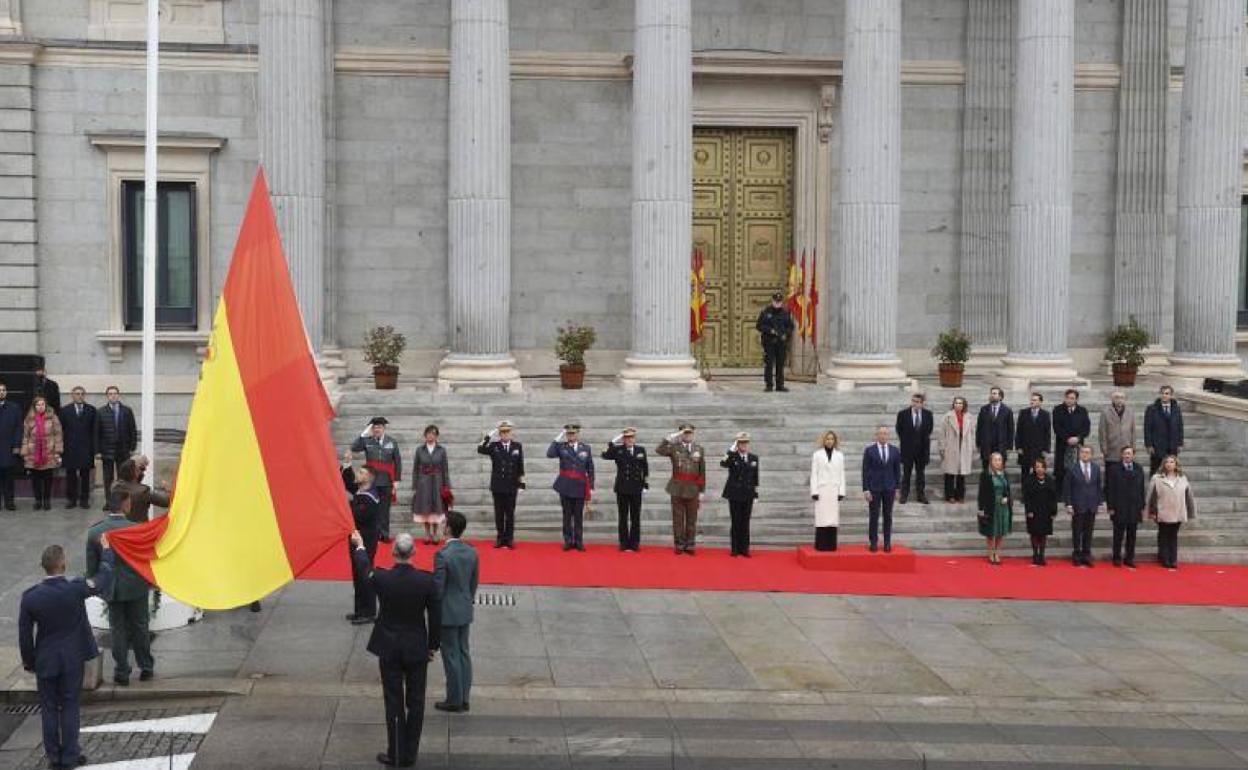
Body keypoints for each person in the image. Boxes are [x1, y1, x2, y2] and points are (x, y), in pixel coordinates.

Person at [19, 535, 115, 770]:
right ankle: (70, 755)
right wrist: (107, 552)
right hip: (72, 659)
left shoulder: (30, 597)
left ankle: (54, 756)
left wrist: (30, 662)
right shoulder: (75, 589)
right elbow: (102, 580)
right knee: (71, 706)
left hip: (46, 661)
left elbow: (24, 636)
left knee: (49, 708)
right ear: (62, 564)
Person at [350, 531, 440, 768]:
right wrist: (432, 645)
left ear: (392, 553)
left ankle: (396, 752)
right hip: (416, 646)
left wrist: (360, 546)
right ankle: (410, 753)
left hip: (388, 645)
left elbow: (364, 571)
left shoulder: (382, 578)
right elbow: (436, 615)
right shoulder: (426, 581)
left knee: (393, 700)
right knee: (416, 701)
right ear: (414, 553)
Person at [86, 488, 154, 685]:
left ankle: (122, 671)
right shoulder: (137, 529)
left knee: (118, 630)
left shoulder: (95, 532)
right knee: (140, 627)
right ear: (126, 504)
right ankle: (146, 667)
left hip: (112, 588)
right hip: (136, 586)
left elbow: (92, 567)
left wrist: (96, 587)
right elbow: (146, 558)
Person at [433, 511, 478, 714]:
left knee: (450, 655)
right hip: (464, 607)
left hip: (448, 611)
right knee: (463, 652)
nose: (442, 525)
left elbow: (438, 588)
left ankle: (454, 699)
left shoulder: (443, 555)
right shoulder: (471, 552)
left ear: (449, 528)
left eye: (444, 523)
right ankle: (465, 697)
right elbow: (473, 583)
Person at [656, 424, 706, 555]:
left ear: (693, 434)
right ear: (681, 435)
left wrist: (702, 491)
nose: (687, 435)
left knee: (691, 519)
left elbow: (702, 472)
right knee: (678, 519)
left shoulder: (699, 449)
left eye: (690, 433)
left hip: (693, 488)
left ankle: (690, 544)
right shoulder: (674, 448)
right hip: (677, 488)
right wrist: (668, 439)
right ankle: (679, 544)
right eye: (685, 433)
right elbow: (659, 450)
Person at [352, 416, 401, 542]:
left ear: (384, 428)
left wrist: (396, 480)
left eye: (379, 427)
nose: (376, 429)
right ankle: (372, 534)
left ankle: (384, 535)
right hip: (371, 482)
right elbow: (354, 448)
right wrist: (364, 433)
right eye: (374, 427)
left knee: (384, 510)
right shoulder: (367, 441)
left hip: (386, 481)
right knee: (371, 508)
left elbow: (398, 462)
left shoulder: (392, 442)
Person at [477, 420, 525, 549]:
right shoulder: (494, 446)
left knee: (510, 513)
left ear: (511, 433)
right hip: (498, 485)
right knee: (499, 513)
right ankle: (500, 537)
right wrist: (488, 436)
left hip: (511, 485)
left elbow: (520, 465)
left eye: (507, 432)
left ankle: (509, 539)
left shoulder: (517, 446)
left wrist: (521, 484)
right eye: (502, 432)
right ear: (499, 434)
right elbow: (480, 449)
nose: (505, 434)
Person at [547, 424, 594, 552]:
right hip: (566, 486)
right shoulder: (561, 447)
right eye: (569, 434)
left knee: (578, 516)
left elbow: (590, 468)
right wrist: (558, 437)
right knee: (567, 516)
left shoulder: (586, 448)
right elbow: (549, 454)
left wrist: (591, 487)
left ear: (578, 434)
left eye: (573, 433)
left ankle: (578, 542)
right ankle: (568, 541)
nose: (571, 436)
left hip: (580, 486)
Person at [344, 464, 380, 625]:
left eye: (361, 472)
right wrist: (347, 465)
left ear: (368, 478)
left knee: (364, 574)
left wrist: (347, 504)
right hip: (357, 536)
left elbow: (359, 516)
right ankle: (359, 610)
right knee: (357, 574)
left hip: (365, 539)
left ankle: (369, 611)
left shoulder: (370, 497)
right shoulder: (361, 491)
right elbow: (347, 482)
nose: (357, 474)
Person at [602, 427, 648, 552]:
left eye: (631, 437)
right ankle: (623, 543)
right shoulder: (618, 450)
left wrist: (645, 485)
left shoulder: (640, 450)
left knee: (635, 517)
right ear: (623, 439)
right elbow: (604, 455)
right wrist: (613, 441)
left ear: (635, 438)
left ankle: (634, 543)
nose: (629, 440)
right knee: (623, 517)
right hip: (622, 488)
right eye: (626, 438)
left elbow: (645, 468)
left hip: (636, 487)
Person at [1147, 455, 1196, 570]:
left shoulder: (1182, 478)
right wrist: (1153, 511)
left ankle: (1173, 559)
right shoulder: (1157, 478)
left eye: (1172, 462)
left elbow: (1189, 496)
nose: (1169, 464)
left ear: (1176, 464)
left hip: (1177, 511)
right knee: (1163, 535)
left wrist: (1190, 511)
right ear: (1164, 464)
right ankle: (1165, 558)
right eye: (1167, 462)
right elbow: (1152, 497)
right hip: (1163, 511)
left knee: (1173, 536)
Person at [1105, 445, 1147, 568]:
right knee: (1118, 535)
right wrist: (1110, 506)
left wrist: (1142, 505)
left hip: (1134, 507)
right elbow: (1110, 488)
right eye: (1125, 453)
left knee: (1132, 535)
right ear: (1122, 455)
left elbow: (1141, 488)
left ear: (1133, 455)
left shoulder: (1138, 468)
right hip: (1119, 506)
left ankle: (1130, 558)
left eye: (1130, 453)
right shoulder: (1114, 469)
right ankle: (1116, 557)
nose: (1128, 456)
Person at [861, 426, 901, 553]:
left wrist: (898, 488)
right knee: (874, 516)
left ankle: (887, 542)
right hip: (874, 488)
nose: (883, 436)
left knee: (888, 516)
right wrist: (866, 489)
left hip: (890, 488)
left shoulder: (895, 450)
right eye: (880, 433)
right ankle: (873, 542)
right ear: (877, 435)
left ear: (888, 435)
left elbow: (897, 471)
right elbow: (865, 471)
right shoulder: (869, 450)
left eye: (885, 433)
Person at [720, 432, 759, 557]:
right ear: (737, 444)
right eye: (741, 442)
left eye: (746, 442)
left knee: (745, 522)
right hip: (735, 494)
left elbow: (755, 477)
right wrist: (731, 449)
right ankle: (735, 548)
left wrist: (755, 493)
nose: (744, 445)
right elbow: (723, 463)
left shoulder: (753, 458)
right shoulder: (733, 457)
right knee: (736, 521)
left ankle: (745, 549)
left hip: (748, 493)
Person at [1063, 445, 1103, 567]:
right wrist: (1068, 504)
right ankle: (1076, 554)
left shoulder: (1096, 468)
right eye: (1083, 452)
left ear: (1091, 455)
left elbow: (1098, 487)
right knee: (1077, 531)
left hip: (1091, 505)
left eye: (1088, 452)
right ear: (1079, 454)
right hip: (1077, 505)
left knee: (1088, 532)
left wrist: (1100, 503)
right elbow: (1067, 488)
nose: (1085, 454)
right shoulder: (1072, 468)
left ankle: (1087, 554)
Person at [411, 425, 451, 545]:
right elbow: (415, 469)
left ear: (436, 436)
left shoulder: (441, 450)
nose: (430, 436)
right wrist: (415, 485)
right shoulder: (419, 450)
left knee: (436, 508)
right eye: (428, 433)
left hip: (438, 482)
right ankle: (427, 534)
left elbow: (445, 469)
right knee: (425, 509)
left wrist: (446, 485)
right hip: (423, 482)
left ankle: (435, 534)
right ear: (425, 435)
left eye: (433, 434)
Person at [22, 395, 63, 511]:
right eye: (38, 405)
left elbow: (58, 435)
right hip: (33, 454)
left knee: (48, 479)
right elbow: (25, 436)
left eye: (42, 404)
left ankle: (47, 501)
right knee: (35, 480)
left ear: (46, 405)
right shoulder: (29, 419)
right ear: (34, 406)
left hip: (49, 453)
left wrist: (58, 452)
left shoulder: (53, 417)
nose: (40, 407)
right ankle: (38, 501)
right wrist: (25, 452)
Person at [95, 386, 136, 501]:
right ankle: (109, 502)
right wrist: (97, 451)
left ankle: (122, 501)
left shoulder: (127, 411)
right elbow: (97, 432)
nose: (113, 395)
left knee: (122, 477)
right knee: (108, 477)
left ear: (118, 395)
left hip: (123, 449)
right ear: (107, 396)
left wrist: (132, 447)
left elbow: (132, 429)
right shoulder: (101, 411)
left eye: (115, 393)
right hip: (107, 450)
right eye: (110, 394)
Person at [58, 387, 97, 510]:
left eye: (81, 394)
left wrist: (95, 450)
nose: (79, 396)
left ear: (84, 395)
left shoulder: (91, 410)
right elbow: (61, 431)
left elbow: (94, 431)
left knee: (85, 475)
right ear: (72, 395)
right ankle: (71, 500)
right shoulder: (65, 410)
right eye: (77, 394)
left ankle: (84, 500)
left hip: (86, 449)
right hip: (70, 448)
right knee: (71, 476)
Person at [810, 430, 846, 551]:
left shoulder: (839, 455)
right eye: (827, 439)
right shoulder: (817, 454)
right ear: (823, 440)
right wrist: (814, 491)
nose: (829, 441)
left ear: (835, 441)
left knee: (832, 518)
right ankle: (821, 545)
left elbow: (842, 474)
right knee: (821, 517)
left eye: (832, 439)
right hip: (822, 490)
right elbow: (814, 473)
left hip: (834, 490)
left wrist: (841, 491)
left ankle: (831, 545)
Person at [894, 393, 933, 505]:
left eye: (918, 402)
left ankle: (921, 495)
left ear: (922, 403)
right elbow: (899, 430)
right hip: (908, 449)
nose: (915, 403)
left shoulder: (928, 414)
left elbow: (929, 430)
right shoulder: (903, 414)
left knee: (921, 474)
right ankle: (904, 495)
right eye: (913, 401)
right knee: (906, 473)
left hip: (922, 449)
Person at [938, 396, 976, 503]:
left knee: (961, 474)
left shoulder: (969, 417)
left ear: (964, 405)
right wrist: (942, 447)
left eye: (960, 403)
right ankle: (949, 495)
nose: (958, 405)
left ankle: (960, 495)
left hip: (964, 446)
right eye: (956, 403)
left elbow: (973, 433)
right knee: (950, 473)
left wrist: (972, 447)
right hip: (951, 446)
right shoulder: (947, 416)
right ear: (953, 404)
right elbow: (942, 433)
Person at [755, 292, 795, 392]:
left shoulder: (785, 313)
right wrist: (770, 330)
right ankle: (769, 385)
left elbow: (790, 326)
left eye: (779, 302)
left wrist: (786, 334)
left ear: (781, 302)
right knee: (769, 364)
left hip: (781, 343)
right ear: (772, 301)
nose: (777, 303)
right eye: (776, 301)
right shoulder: (765, 312)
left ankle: (780, 385)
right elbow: (759, 326)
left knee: (780, 364)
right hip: (769, 342)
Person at [977, 452, 1012, 565]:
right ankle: (991, 552)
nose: (997, 462)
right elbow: (981, 493)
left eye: (999, 460)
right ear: (991, 462)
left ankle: (997, 552)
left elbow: (1008, 490)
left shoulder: (1005, 474)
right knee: (991, 531)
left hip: (1003, 506)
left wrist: (1007, 498)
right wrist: (981, 508)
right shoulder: (985, 474)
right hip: (991, 506)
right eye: (995, 460)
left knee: (1001, 531)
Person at [1052, 389, 1090, 490]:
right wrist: (1067, 438)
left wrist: (1078, 438)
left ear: (1076, 399)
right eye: (1067, 398)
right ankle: (1061, 493)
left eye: (1072, 398)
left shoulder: (1082, 411)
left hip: (1078, 445)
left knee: (1077, 469)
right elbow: (1057, 427)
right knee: (1061, 469)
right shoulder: (1058, 409)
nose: (1069, 400)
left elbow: (1086, 427)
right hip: (1063, 444)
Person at [112, 456, 170, 523]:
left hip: (120, 528)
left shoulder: (114, 486)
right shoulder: (143, 492)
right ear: (135, 473)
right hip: (140, 529)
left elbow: (127, 466)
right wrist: (168, 489)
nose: (142, 472)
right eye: (140, 470)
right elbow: (167, 502)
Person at [1022, 458, 1058, 566]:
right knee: (1034, 533)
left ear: (1045, 468)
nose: (1039, 469)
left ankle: (1042, 555)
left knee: (1043, 534)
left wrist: (1053, 512)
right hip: (1033, 511)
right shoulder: (1029, 480)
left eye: (1041, 467)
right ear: (1034, 468)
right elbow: (1026, 497)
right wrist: (1029, 510)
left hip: (1046, 511)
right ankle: (1035, 554)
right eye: (1037, 467)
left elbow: (1053, 497)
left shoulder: (1050, 480)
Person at [1144, 385, 1184, 477]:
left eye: (1167, 393)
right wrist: (1149, 444)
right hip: (1157, 445)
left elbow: (1180, 426)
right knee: (1156, 470)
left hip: (1172, 445)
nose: (1164, 395)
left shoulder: (1176, 409)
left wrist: (1180, 443)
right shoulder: (1151, 409)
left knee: (1171, 470)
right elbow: (1147, 428)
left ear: (1171, 395)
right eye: (1162, 393)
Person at [975, 387, 1013, 470]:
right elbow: (979, 427)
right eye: (991, 393)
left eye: (995, 393)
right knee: (986, 470)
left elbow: (1010, 430)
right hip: (986, 445)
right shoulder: (984, 409)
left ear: (1000, 397)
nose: (992, 395)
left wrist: (1009, 447)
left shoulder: (1007, 410)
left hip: (1001, 445)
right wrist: (978, 444)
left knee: (999, 470)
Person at [1014, 392, 1051, 477]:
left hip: (1039, 448)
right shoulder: (1023, 413)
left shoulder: (1045, 414)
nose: (1032, 402)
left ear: (1040, 402)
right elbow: (1019, 431)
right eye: (1031, 400)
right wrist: (1018, 446)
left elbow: (1047, 433)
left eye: (1034, 400)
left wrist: (1046, 449)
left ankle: (1035, 490)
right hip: (1025, 448)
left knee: (1037, 471)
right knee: (1025, 472)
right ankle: (1025, 490)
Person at [0, 381, 22, 511]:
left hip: (8, 447)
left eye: (3, 390)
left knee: (8, 477)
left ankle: (9, 502)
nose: (1, 392)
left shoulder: (14, 407)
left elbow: (19, 428)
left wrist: (17, 445)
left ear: (6, 392)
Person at [1098, 391, 1135, 467]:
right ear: (1112, 399)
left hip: (1126, 448)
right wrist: (1104, 448)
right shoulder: (1105, 412)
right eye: (1117, 397)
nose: (1119, 400)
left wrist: (1133, 447)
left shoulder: (1130, 412)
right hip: (1111, 449)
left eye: (1122, 397)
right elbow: (1102, 431)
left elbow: (1133, 431)